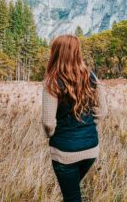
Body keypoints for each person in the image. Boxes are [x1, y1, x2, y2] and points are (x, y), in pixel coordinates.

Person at [42, 34, 108, 202]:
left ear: (56, 53)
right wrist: (86, 127)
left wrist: (51, 135)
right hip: (91, 149)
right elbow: (102, 111)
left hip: (65, 152)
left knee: (71, 197)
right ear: (77, 52)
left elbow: (48, 122)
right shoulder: (91, 76)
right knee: (71, 193)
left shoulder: (52, 81)